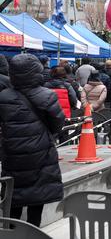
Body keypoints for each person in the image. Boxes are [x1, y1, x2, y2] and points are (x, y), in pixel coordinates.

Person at [0, 54, 64, 227]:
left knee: (13, 199)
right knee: (37, 199)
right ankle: (33, 232)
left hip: (12, 156)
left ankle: (11, 233)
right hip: (41, 155)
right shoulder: (47, 96)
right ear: (36, 71)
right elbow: (57, 124)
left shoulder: (3, 97)